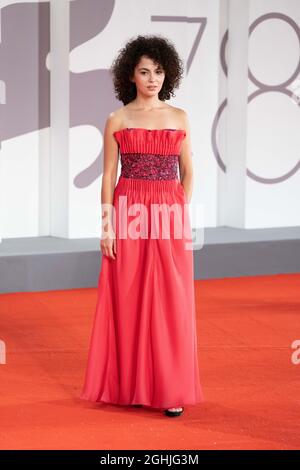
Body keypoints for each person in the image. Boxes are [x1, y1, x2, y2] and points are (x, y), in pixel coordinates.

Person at [80, 34, 204, 417]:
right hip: (128, 209)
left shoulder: (180, 117)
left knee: (171, 301)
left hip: (168, 215)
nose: (153, 79)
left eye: (159, 71)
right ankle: (133, 385)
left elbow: (188, 171)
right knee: (129, 297)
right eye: (145, 72)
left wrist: (177, 210)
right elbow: (107, 177)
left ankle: (171, 389)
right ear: (130, 75)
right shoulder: (117, 119)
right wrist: (107, 226)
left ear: (168, 74)